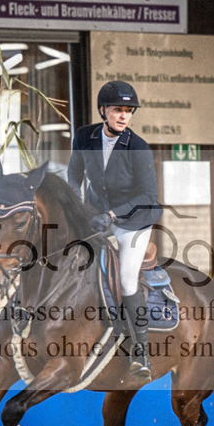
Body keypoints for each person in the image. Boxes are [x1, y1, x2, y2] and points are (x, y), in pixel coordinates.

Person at [68, 80, 162, 382]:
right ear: (103, 111)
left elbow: (148, 197)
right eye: (117, 110)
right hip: (97, 214)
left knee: (125, 279)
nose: (123, 116)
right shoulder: (85, 136)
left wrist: (111, 215)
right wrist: (76, 209)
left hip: (133, 220)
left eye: (128, 111)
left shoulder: (138, 148)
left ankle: (140, 350)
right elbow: (75, 175)